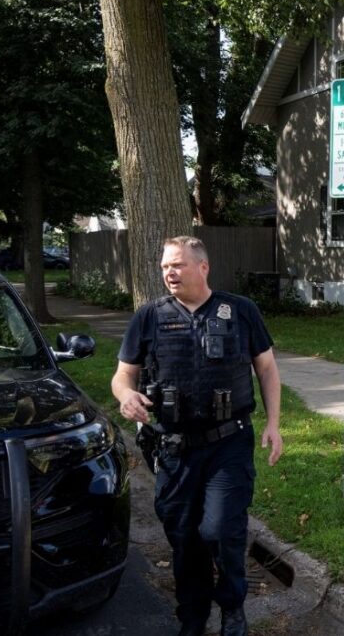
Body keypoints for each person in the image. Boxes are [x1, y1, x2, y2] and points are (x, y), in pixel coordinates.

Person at [111, 236, 283, 636]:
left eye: (178, 265)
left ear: (202, 267)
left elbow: (268, 369)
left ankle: (233, 608)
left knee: (221, 530)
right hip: (173, 448)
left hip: (229, 442)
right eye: (165, 267)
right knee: (185, 538)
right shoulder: (149, 316)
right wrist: (125, 396)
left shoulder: (240, 311)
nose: (170, 273)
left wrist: (274, 424)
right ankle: (193, 616)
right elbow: (123, 374)